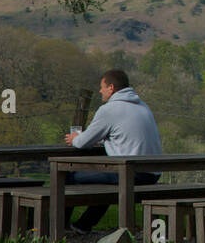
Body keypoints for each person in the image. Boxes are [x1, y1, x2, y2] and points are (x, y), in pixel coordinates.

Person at [62, 69, 163, 233]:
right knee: (109, 179)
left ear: (111, 87)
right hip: (152, 174)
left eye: (102, 87)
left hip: (131, 174)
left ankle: (61, 225)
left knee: (68, 175)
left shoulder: (109, 109)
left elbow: (82, 142)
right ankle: (83, 225)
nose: (100, 91)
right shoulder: (143, 106)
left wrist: (74, 138)